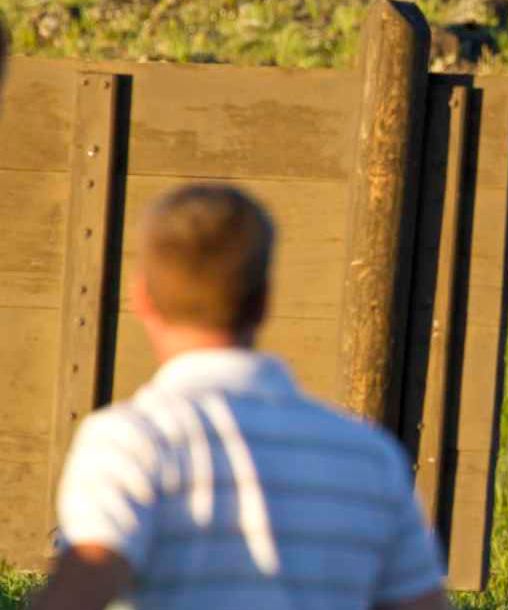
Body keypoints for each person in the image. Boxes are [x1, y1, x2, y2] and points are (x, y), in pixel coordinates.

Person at [32, 184, 451, 610]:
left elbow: (84, 583)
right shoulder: (370, 458)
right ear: (264, 301)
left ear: (143, 299)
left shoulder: (131, 441)